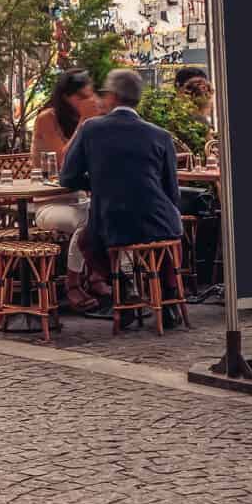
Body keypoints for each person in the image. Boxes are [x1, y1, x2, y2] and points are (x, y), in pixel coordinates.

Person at [59, 68, 184, 325]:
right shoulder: (160, 135)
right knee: (167, 236)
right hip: (159, 220)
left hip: (112, 220)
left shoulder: (92, 129)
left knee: (87, 240)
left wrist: (98, 183)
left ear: (113, 97)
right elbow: (172, 190)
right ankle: (169, 297)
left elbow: (67, 178)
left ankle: (124, 288)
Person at [31, 70, 103, 310]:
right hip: (49, 203)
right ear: (66, 97)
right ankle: (72, 284)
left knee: (114, 214)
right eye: (81, 96)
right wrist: (84, 122)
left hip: (80, 198)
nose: (87, 100)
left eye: (89, 94)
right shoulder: (47, 118)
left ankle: (97, 277)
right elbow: (64, 161)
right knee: (87, 222)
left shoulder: (88, 120)